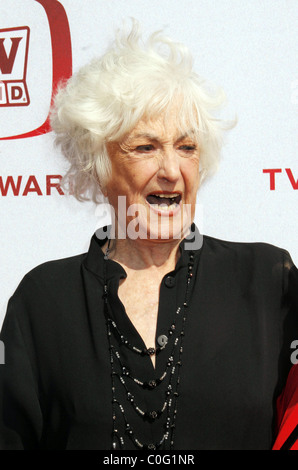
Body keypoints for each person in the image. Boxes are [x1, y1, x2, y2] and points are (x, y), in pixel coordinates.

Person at [0, 21, 298, 451]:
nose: (172, 171)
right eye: (145, 147)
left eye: (187, 147)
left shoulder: (269, 280)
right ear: (97, 164)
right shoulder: (43, 300)